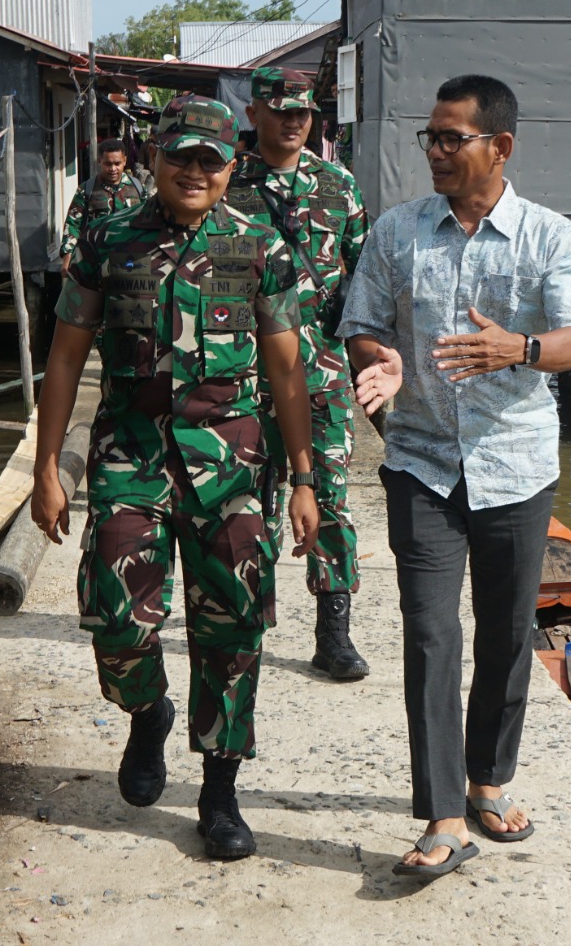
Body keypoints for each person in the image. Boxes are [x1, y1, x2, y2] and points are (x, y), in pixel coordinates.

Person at [31, 94, 321, 861]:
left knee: (234, 628)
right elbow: (65, 356)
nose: (194, 171)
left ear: (230, 165)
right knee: (115, 613)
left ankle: (219, 793)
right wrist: (45, 468)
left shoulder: (259, 246)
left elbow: (287, 371)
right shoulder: (106, 240)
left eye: (209, 160)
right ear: (154, 158)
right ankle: (148, 710)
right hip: (129, 458)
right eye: (180, 156)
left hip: (231, 468)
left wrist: (304, 478)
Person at [337, 74, 571, 877]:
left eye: (453, 138)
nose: (437, 152)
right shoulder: (396, 232)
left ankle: (489, 779)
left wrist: (519, 347)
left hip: (516, 465)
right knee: (429, 633)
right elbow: (361, 326)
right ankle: (444, 814)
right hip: (420, 462)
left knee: (507, 632)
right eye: (432, 137)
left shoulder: (550, 236)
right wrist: (381, 361)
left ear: (500, 146)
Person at [225, 66, 371, 680]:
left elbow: (366, 276)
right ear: (253, 112)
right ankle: (247, 618)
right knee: (247, 498)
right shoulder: (227, 182)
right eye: (281, 110)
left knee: (329, 497)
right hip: (244, 373)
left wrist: (371, 357)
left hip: (322, 372)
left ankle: (333, 632)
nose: (293, 121)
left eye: (303, 112)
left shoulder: (338, 184)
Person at [59, 139, 146, 271]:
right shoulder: (87, 189)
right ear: (99, 161)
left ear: (124, 161)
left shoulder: (138, 188)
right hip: (96, 260)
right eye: (108, 164)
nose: (113, 169)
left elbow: (149, 221)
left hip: (131, 259)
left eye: (117, 163)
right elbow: (73, 225)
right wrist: (67, 258)